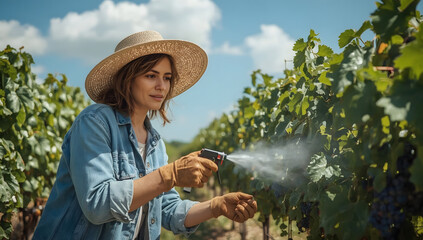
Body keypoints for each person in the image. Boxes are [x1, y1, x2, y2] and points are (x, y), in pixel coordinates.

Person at [32, 30, 257, 240]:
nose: (161, 86)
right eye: (151, 75)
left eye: (167, 77)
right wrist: (170, 175)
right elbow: (97, 205)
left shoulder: (155, 144)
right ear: (127, 79)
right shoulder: (95, 123)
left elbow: (167, 210)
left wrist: (215, 206)